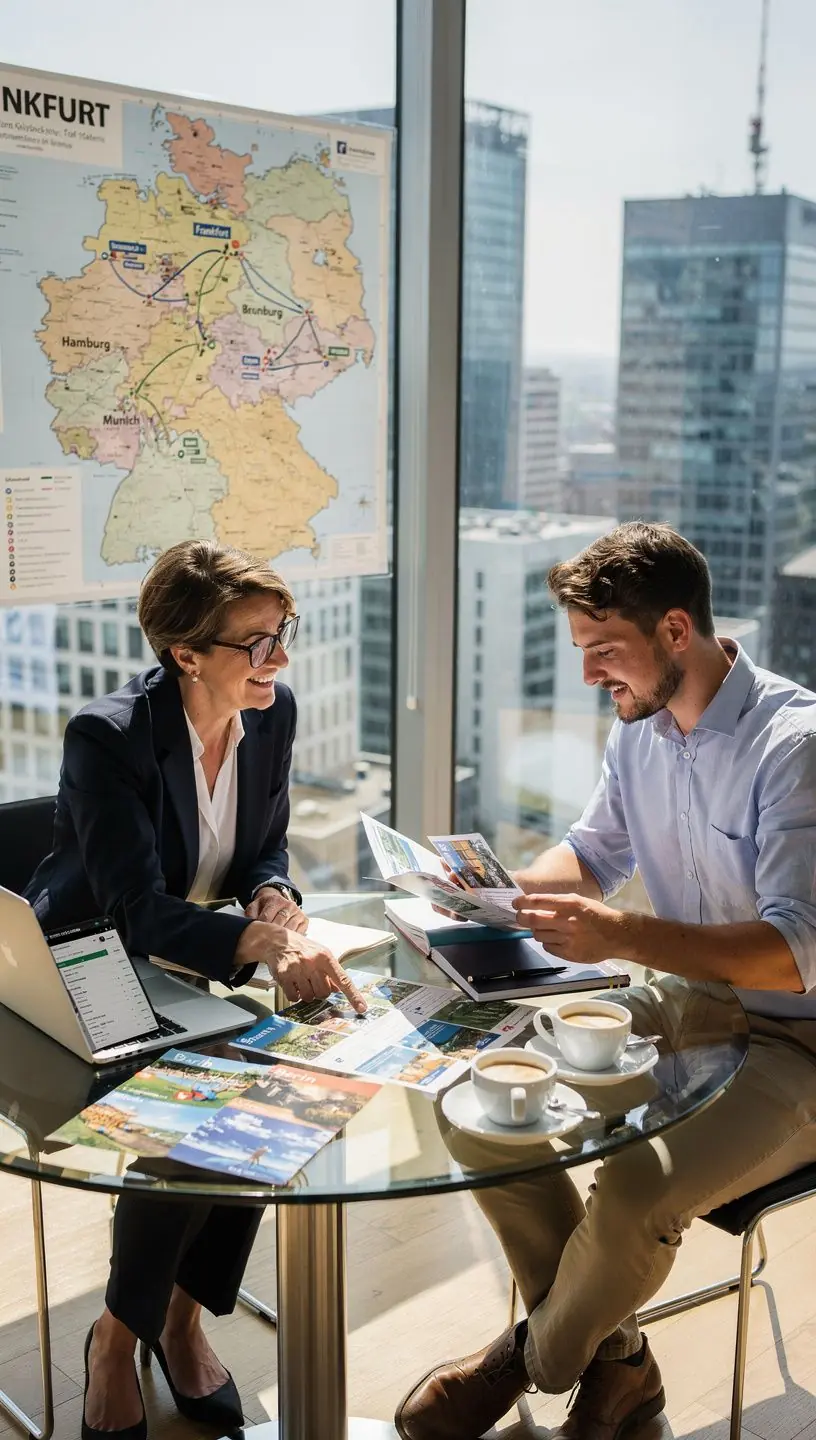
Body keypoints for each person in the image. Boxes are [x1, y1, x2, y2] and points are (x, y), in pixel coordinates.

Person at [395, 522, 816, 1440]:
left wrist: (622, 933)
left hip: (801, 1042)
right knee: (477, 1105)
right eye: (580, 649)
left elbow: (795, 952)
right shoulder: (640, 734)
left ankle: (523, 1360)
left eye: (603, 649)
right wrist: (491, 894)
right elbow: (591, 855)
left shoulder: (796, 747)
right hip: (693, 1005)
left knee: (632, 1189)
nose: (588, 674)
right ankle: (619, 1365)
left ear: (676, 630)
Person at [26, 539, 366, 1440]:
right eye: (258, 642)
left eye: (283, 633)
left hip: (192, 960)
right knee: (201, 1103)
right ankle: (116, 1337)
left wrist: (273, 893)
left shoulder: (271, 712)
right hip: (89, 961)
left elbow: (265, 842)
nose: (280, 658)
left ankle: (180, 1320)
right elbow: (134, 910)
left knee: (279, 1085)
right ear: (185, 653)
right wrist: (255, 941)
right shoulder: (108, 736)